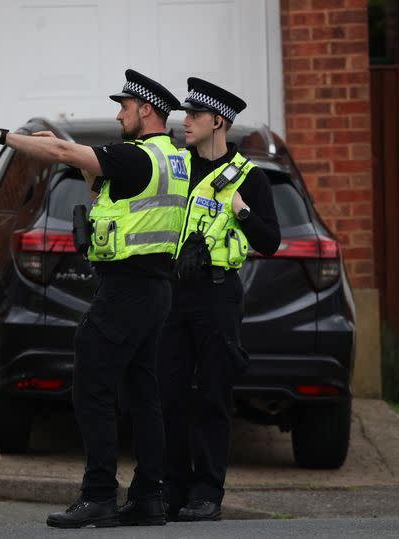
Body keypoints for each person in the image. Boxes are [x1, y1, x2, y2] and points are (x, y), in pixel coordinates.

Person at [0, 69, 190, 529]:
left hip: (126, 291)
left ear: (145, 110)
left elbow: (63, 150)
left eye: (123, 107)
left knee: (92, 385)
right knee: (143, 394)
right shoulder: (172, 159)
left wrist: (2, 136)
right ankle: (148, 498)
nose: (118, 114)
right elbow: (106, 196)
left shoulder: (135, 155)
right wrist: (82, 164)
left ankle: (99, 494)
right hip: (154, 290)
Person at [159, 78, 281, 522]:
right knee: (168, 394)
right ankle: (172, 489)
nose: (184, 121)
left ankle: (207, 492)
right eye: (185, 114)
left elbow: (270, 242)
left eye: (193, 115)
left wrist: (242, 211)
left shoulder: (250, 178)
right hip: (173, 293)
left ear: (218, 122)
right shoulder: (175, 167)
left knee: (213, 394)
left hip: (217, 295)